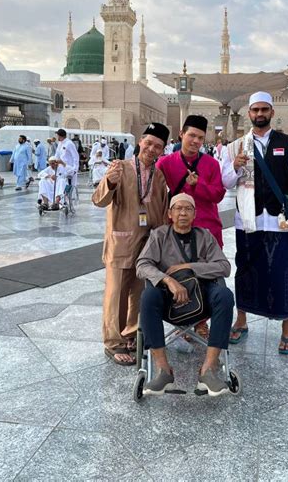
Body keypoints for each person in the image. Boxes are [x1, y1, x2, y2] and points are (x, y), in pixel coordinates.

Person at [222, 91, 288, 353]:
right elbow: (226, 183)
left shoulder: (287, 144)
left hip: (278, 221)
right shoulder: (236, 147)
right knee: (246, 272)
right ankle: (241, 320)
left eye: (264, 109)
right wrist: (236, 167)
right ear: (249, 113)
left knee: (282, 273)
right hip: (248, 222)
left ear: (272, 113)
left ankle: (287, 329)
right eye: (255, 110)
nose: (260, 114)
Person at [136, 193, 233, 396]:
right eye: (178, 208)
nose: (183, 213)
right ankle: (163, 371)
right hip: (168, 300)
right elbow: (142, 265)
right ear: (170, 213)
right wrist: (169, 280)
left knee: (224, 295)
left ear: (195, 214)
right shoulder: (159, 235)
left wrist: (188, 267)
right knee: (148, 297)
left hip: (201, 298)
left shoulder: (205, 236)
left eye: (188, 209)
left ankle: (208, 371)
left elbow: (224, 267)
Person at [92, 122, 170, 365]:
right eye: (148, 143)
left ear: (162, 150)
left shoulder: (159, 176)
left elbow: (162, 209)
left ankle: (131, 336)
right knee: (116, 293)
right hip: (121, 241)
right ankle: (113, 343)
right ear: (140, 142)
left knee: (138, 293)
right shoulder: (121, 168)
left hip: (146, 244)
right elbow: (99, 200)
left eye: (158, 146)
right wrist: (110, 182)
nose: (152, 149)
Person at [156, 115, 226, 340]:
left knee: (206, 276)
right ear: (181, 135)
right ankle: (183, 313)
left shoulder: (211, 164)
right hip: (177, 232)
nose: (195, 141)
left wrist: (199, 185)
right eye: (192, 136)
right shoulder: (166, 163)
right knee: (179, 273)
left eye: (200, 137)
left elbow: (218, 194)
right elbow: (154, 189)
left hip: (207, 231)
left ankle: (201, 322)